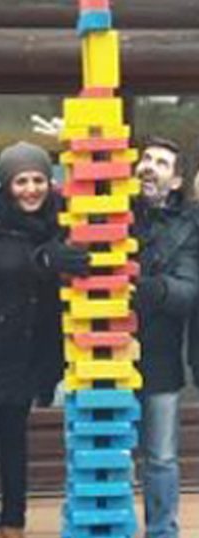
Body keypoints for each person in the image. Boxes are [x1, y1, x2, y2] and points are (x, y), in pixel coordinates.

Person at [0, 142, 89, 538]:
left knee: (15, 440)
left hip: (27, 351)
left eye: (38, 180)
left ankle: (14, 523)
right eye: (21, 181)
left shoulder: (58, 215)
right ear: (7, 183)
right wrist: (42, 260)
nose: (31, 189)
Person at [131, 138, 199, 538]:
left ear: (175, 181)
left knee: (161, 457)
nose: (149, 167)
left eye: (161, 163)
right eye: (146, 159)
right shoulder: (114, 209)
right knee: (112, 454)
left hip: (160, 358)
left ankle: (162, 532)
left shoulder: (189, 225)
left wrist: (150, 289)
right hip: (105, 357)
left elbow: (189, 291)